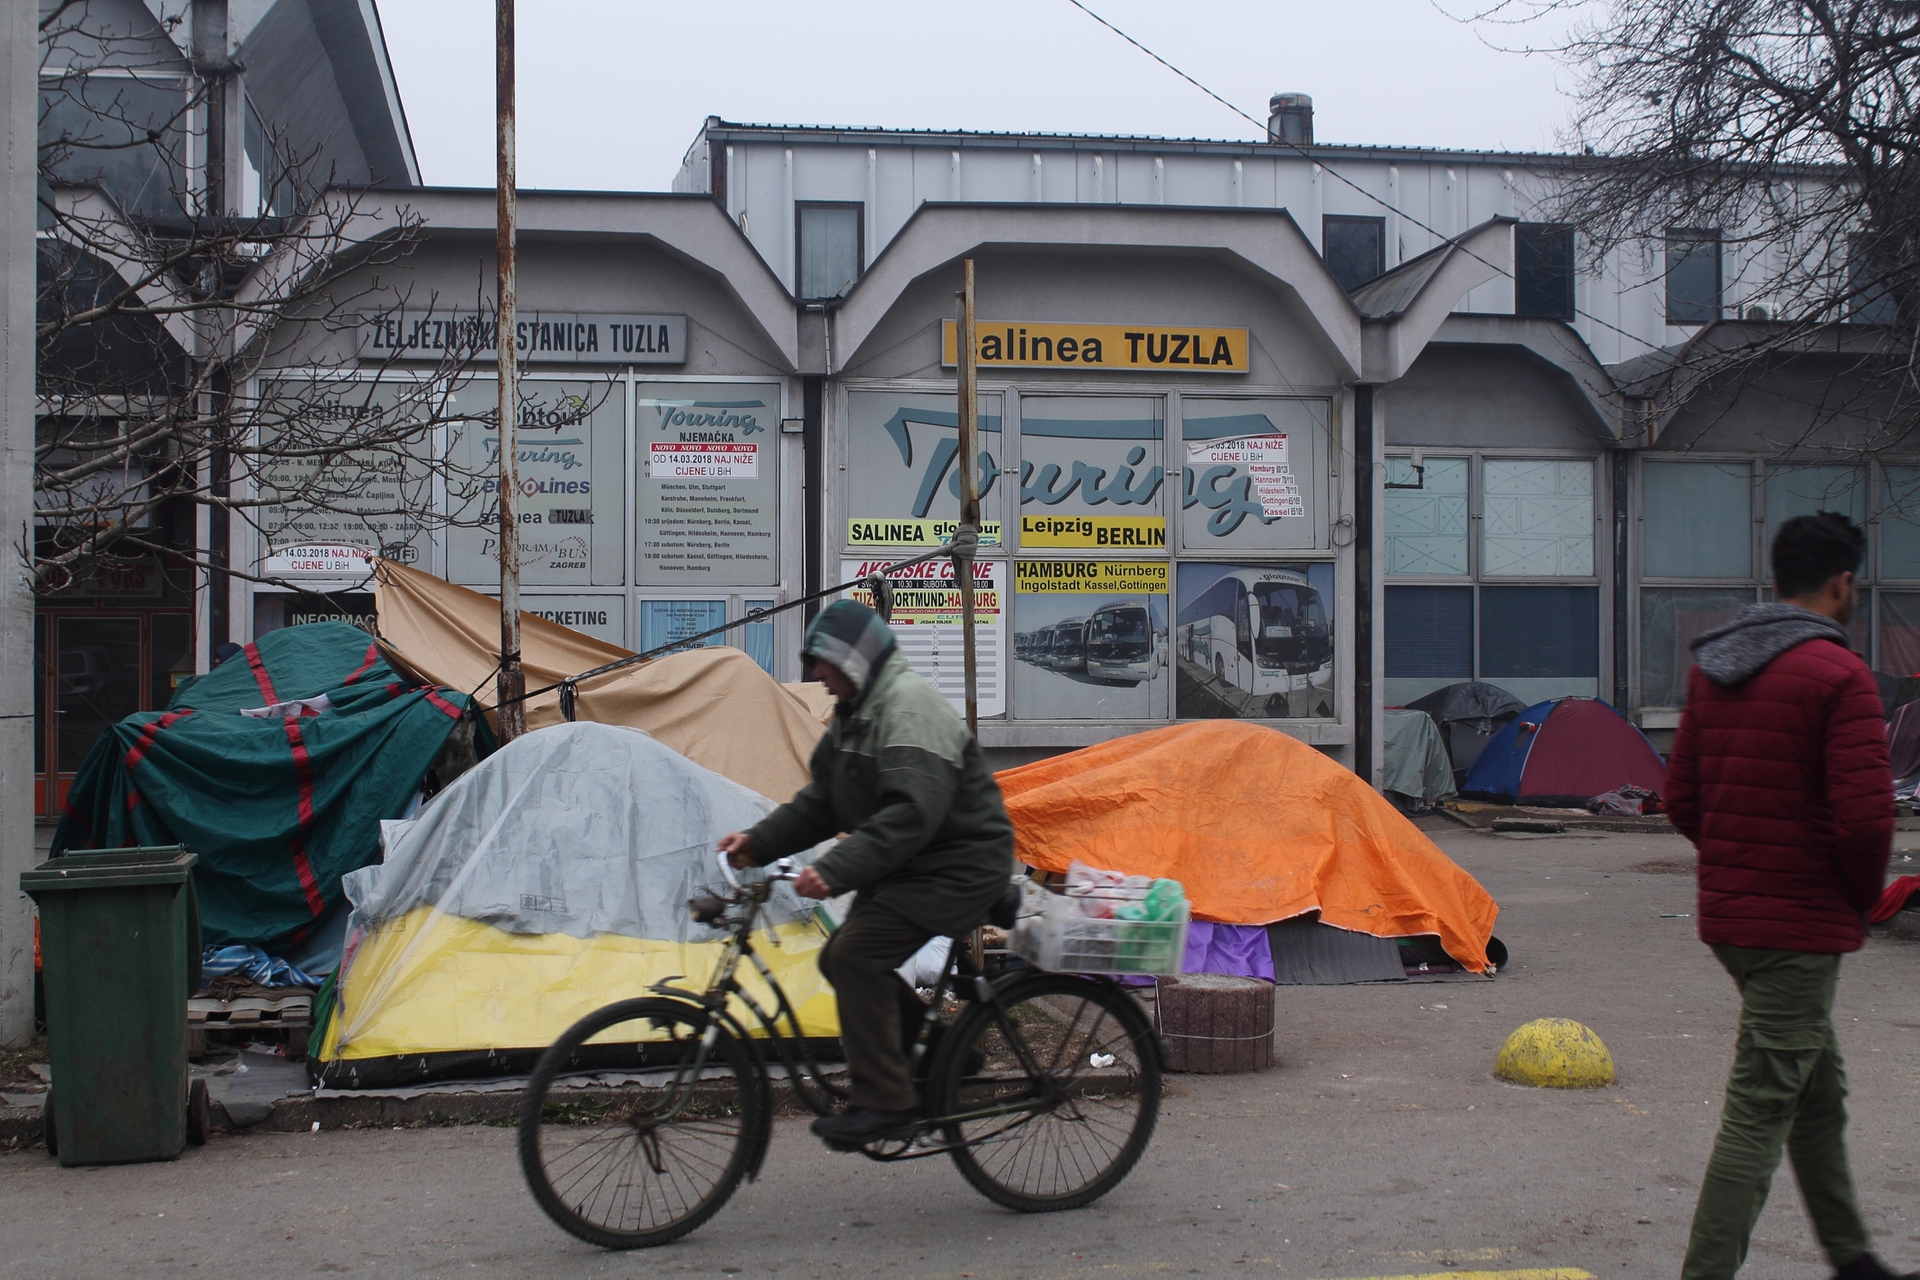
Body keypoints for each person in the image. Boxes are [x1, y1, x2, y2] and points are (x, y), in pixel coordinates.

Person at [1668, 511, 1912, 1280]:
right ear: (1844, 583)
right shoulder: (1840, 675)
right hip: (1798, 928)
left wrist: (1740, 863)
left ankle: (1853, 1259)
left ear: (1776, 579)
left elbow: (1681, 798)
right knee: (1760, 1110)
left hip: (1736, 919)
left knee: (1815, 1089)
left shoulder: (1715, 665)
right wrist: (1857, 899)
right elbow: (1866, 820)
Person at [716, 598, 1014, 1149]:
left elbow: (911, 814)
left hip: (960, 864)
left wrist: (834, 870)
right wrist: (756, 844)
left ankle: (884, 1102)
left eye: (823, 662)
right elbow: (822, 803)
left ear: (854, 659)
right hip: (917, 863)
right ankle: (946, 1053)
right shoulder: (856, 714)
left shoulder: (907, 708)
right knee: (840, 955)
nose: (816, 675)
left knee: (855, 956)